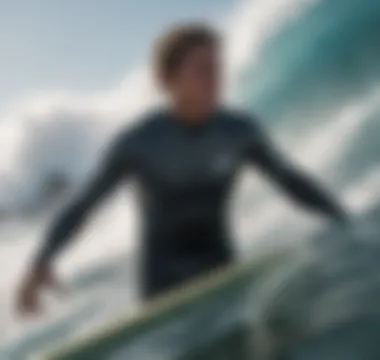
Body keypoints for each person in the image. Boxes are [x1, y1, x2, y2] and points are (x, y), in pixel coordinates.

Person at [17, 23, 350, 315]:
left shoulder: (239, 132)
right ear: (167, 79)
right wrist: (41, 262)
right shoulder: (139, 143)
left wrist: (344, 221)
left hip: (225, 280)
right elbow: (84, 205)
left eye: (217, 68)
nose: (214, 79)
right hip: (164, 300)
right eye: (202, 69)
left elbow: (291, 181)